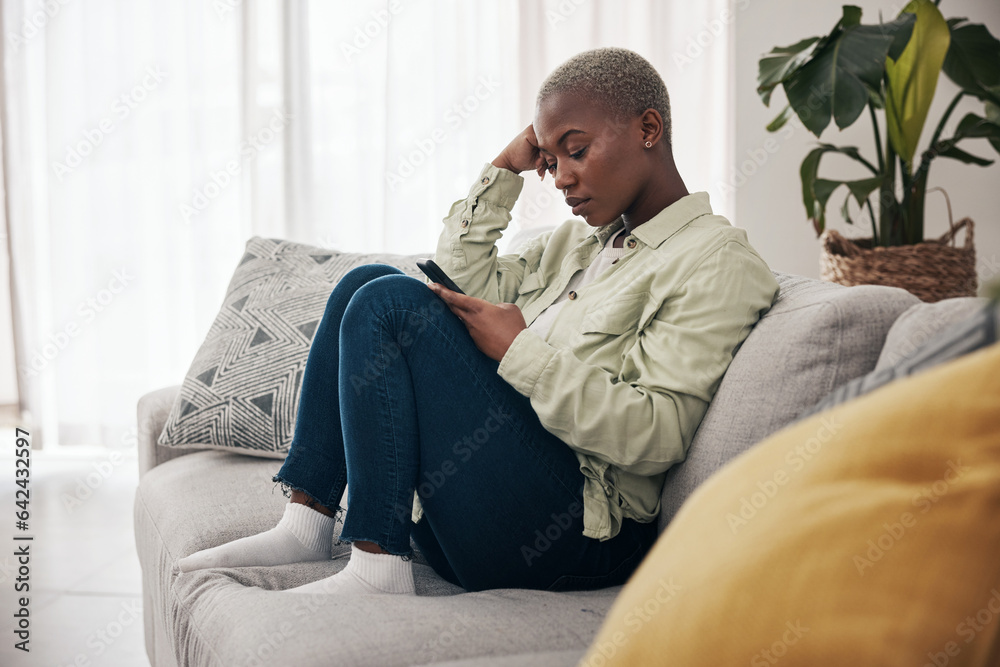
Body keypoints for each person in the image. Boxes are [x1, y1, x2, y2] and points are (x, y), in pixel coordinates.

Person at [177, 47, 779, 595]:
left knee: (390, 303)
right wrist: (505, 169)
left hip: (576, 537)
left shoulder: (715, 261)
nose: (563, 177)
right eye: (551, 157)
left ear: (649, 129)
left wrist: (520, 352)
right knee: (365, 286)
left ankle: (378, 568)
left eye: (577, 149)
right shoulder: (577, 244)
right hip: (478, 517)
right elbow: (457, 278)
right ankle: (308, 521)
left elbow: (658, 436)